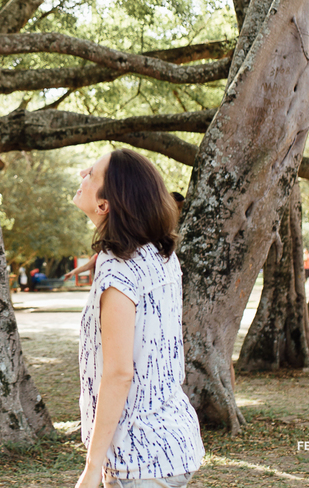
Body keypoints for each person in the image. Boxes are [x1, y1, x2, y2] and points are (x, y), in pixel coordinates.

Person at [73, 150, 204, 488]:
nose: (83, 173)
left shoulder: (119, 271)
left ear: (105, 205)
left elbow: (119, 373)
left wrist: (92, 467)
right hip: (173, 445)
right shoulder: (159, 256)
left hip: (140, 459)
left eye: (93, 174)